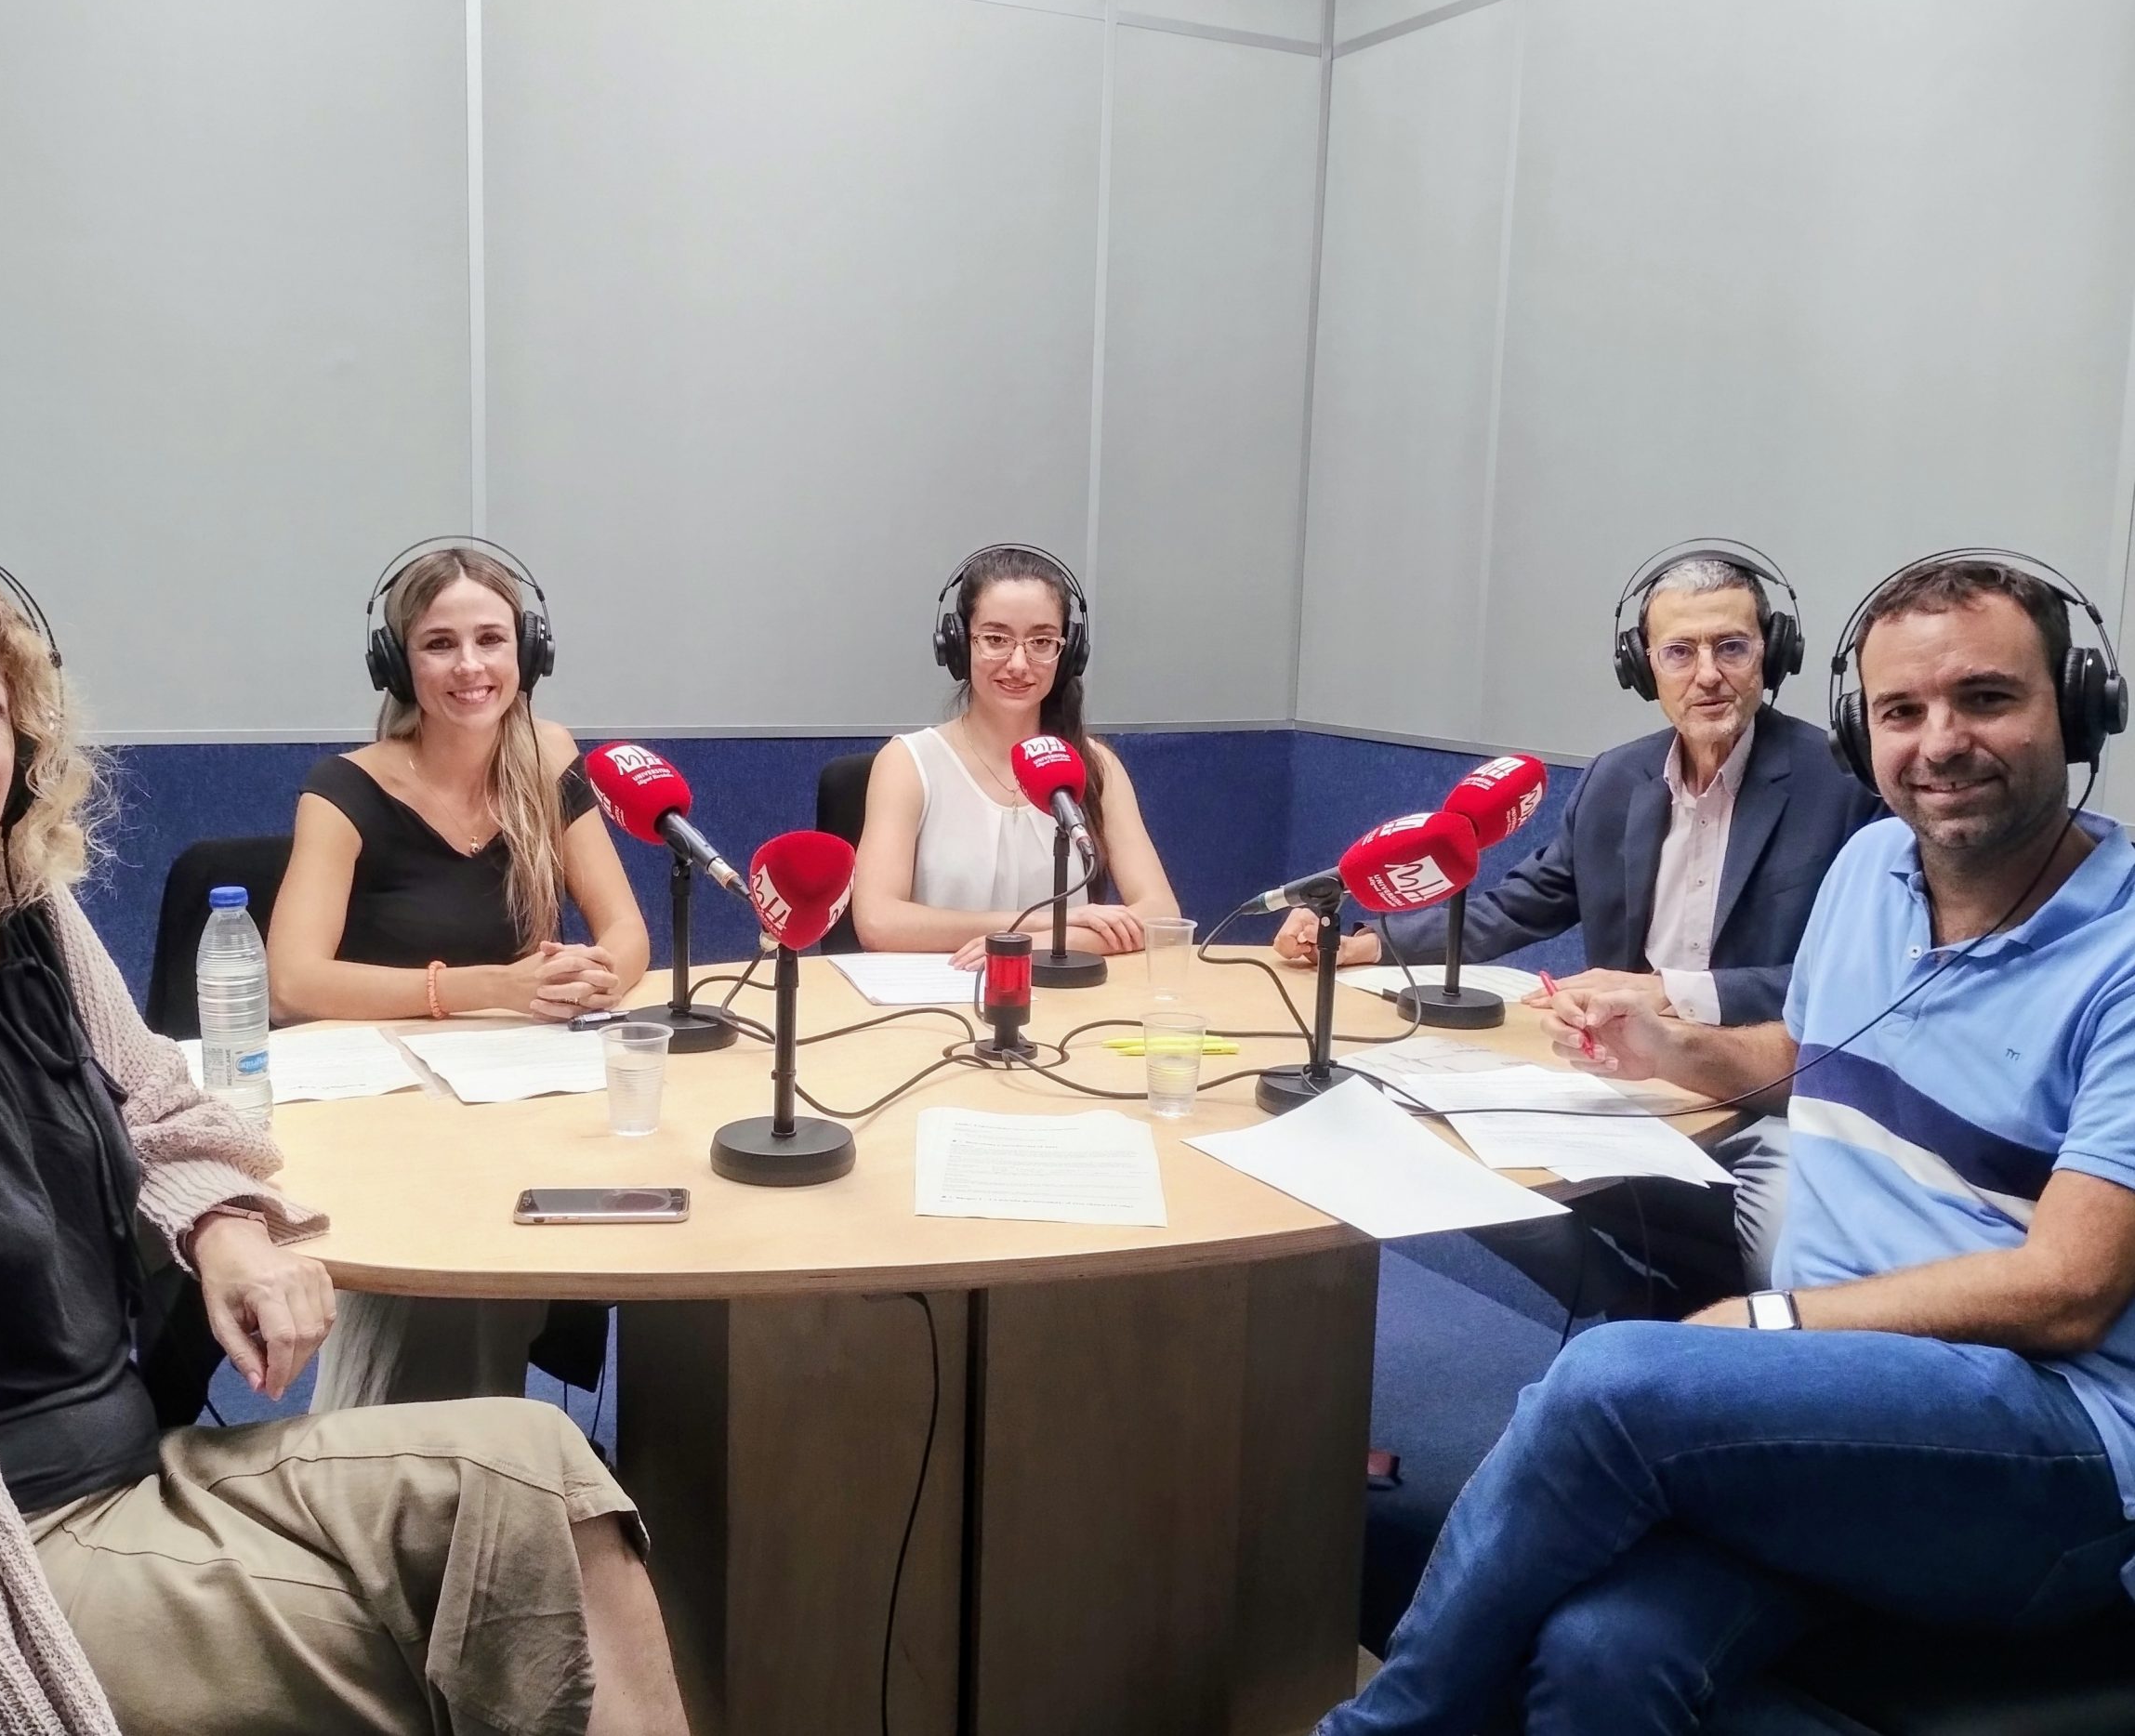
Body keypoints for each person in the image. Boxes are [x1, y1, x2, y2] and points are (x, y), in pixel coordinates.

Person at [0, 543, 686, 1735]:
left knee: (549, 1480)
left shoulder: (20, 921)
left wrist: (228, 1226)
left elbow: (162, 1102)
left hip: (142, 1464)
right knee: (477, 1626)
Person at [1323, 556, 2135, 1735]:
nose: (1940, 741)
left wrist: (1769, 1321)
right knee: (1601, 1657)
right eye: (1901, 710)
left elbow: (2067, 1289)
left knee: (1612, 1381)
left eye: (1987, 698)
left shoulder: (2120, 950)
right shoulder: (1870, 870)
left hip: (2047, 1450)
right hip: (1841, 1401)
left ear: (2079, 705)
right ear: (1863, 729)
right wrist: (1674, 1047)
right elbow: (1812, 1048)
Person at [1286, 545, 1880, 1316]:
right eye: (1680, 651)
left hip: (1763, 1099)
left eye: (1732, 647)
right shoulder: (1616, 779)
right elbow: (1517, 903)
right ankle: (1633, 1311)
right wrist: (1369, 942)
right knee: (1442, 1159)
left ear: (1773, 653)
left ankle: (1756, 1369)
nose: (1708, 674)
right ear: (1643, 666)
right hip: (1624, 1084)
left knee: (1792, 1272)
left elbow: (1852, 987)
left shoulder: (1842, 784)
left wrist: (1668, 993)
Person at [267, 539, 649, 1411]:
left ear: (529, 652)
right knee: (443, 1301)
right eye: (440, 644)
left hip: (515, 1091)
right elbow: (291, 979)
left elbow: (627, 931)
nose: (471, 667)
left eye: (491, 640)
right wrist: (484, 987)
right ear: (398, 663)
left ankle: (491, 1454)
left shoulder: (547, 758)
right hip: (388, 1111)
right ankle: (393, 1459)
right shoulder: (343, 789)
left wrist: (599, 974)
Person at [853, 545, 1179, 967]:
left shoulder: (1095, 766)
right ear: (958, 644)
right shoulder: (907, 764)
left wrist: (1043, 943)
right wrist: (1041, 925)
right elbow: (878, 921)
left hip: (1062, 995)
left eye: (1041, 642)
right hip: (939, 996)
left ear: (1068, 653)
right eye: (995, 639)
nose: (1019, 664)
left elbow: (1162, 915)